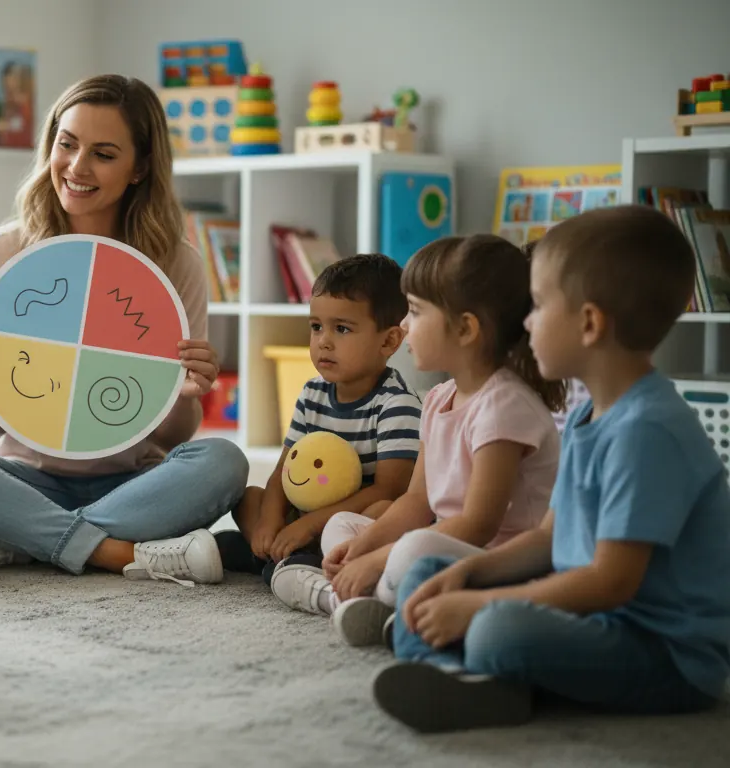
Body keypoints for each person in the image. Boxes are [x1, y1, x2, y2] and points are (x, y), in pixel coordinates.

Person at [375, 206, 730, 733]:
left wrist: (480, 604)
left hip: (663, 651)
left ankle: (470, 667)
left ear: (589, 323)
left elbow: (610, 582)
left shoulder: (646, 430)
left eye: (539, 307)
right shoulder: (592, 411)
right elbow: (551, 536)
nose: (526, 323)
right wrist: (468, 574)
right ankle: (468, 679)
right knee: (430, 574)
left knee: (497, 628)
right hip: (591, 610)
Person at [0, 74, 249, 585]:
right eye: (66, 144)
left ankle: (21, 540)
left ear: (140, 168)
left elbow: (176, 434)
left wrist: (184, 393)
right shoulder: (1, 255)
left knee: (225, 461)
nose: (76, 167)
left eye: (104, 154)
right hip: (25, 478)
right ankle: (113, 551)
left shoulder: (177, 264)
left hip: (134, 481)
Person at [272, 235, 563, 647]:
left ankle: (353, 600)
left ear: (465, 329)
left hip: (498, 562)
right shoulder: (439, 398)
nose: (404, 326)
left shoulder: (504, 405)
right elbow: (416, 500)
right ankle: (368, 601)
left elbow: (480, 525)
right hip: (447, 544)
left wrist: (380, 559)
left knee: (416, 547)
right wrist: (363, 547)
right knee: (343, 526)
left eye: (415, 311)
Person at [215, 254, 420, 582]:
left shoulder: (397, 404)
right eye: (316, 327)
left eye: (342, 328)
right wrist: (269, 522)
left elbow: (388, 491)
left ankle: (287, 558)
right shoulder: (313, 393)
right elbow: (284, 469)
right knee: (250, 498)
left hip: (350, 522)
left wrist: (310, 525)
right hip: (306, 513)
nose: (323, 341)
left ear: (389, 340)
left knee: (382, 514)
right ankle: (276, 552)